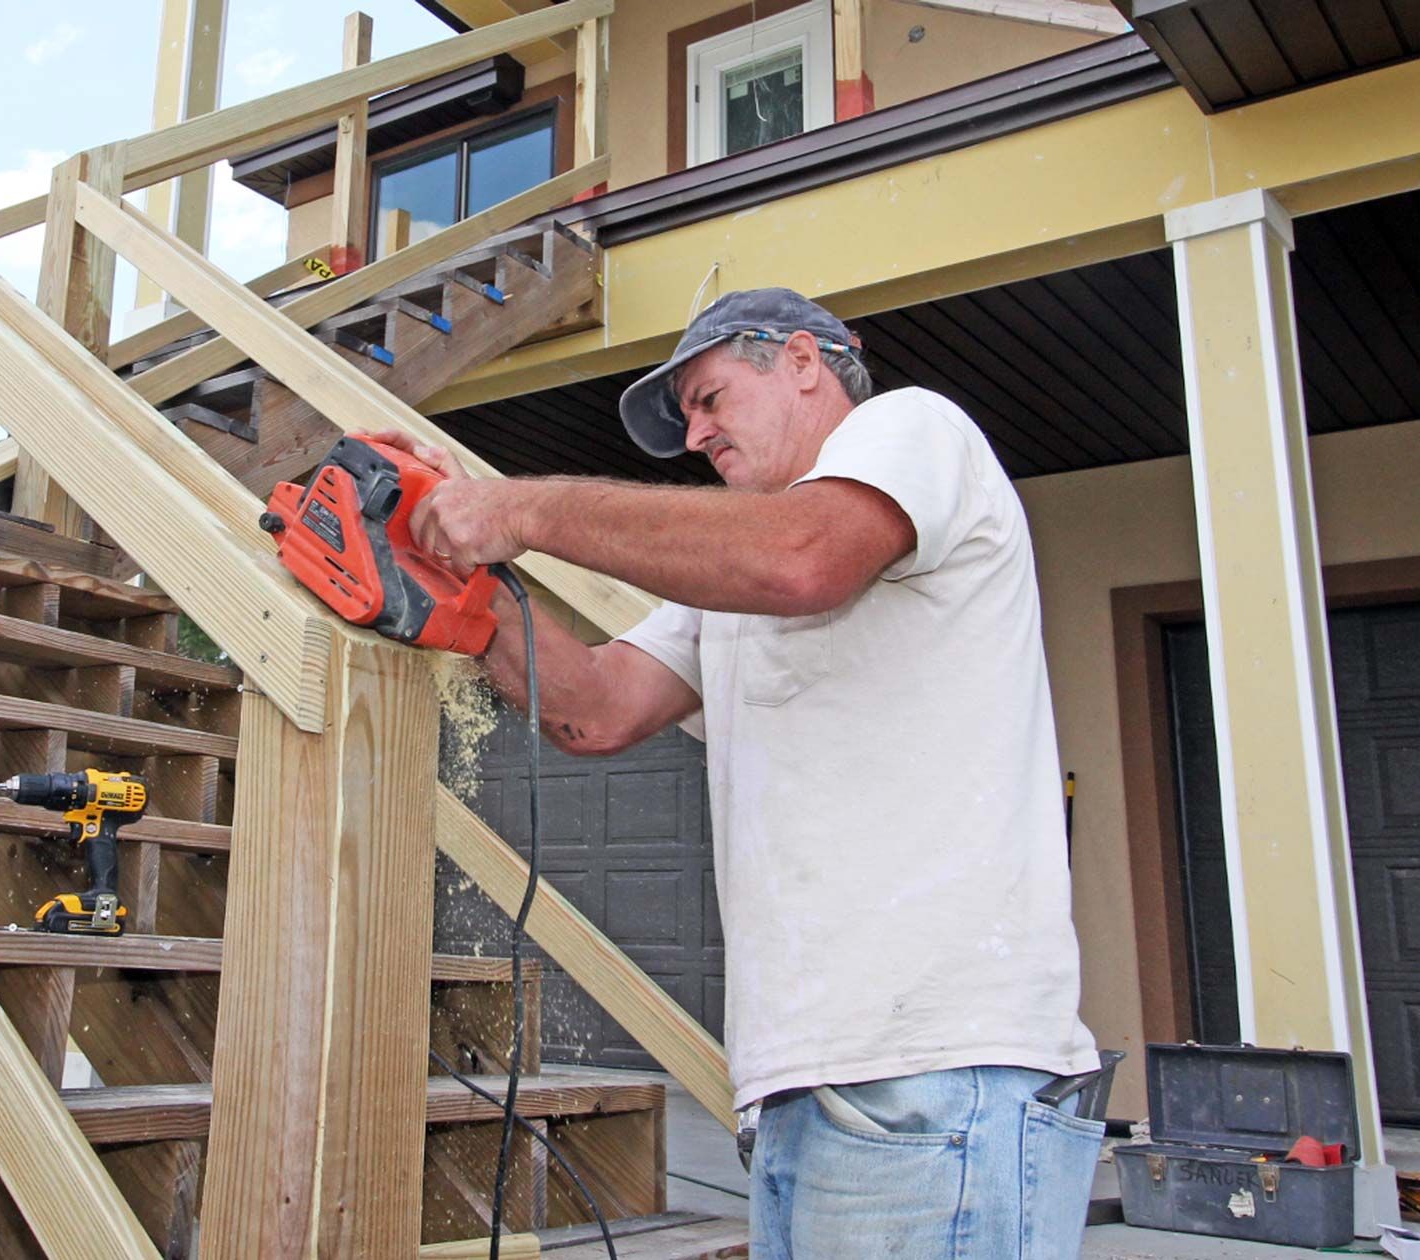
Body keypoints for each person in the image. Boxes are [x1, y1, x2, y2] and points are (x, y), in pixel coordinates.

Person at [368, 286, 1103, 1259]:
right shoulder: (729, 594)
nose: (695, 434)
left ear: (803, 360)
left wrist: (524, 508)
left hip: (935, 1076)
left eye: (709, 398)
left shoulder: (915, 429)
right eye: (687, 419)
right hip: (804, 1088)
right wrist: (457, 568)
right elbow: (593, 706)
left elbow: (805, 558)